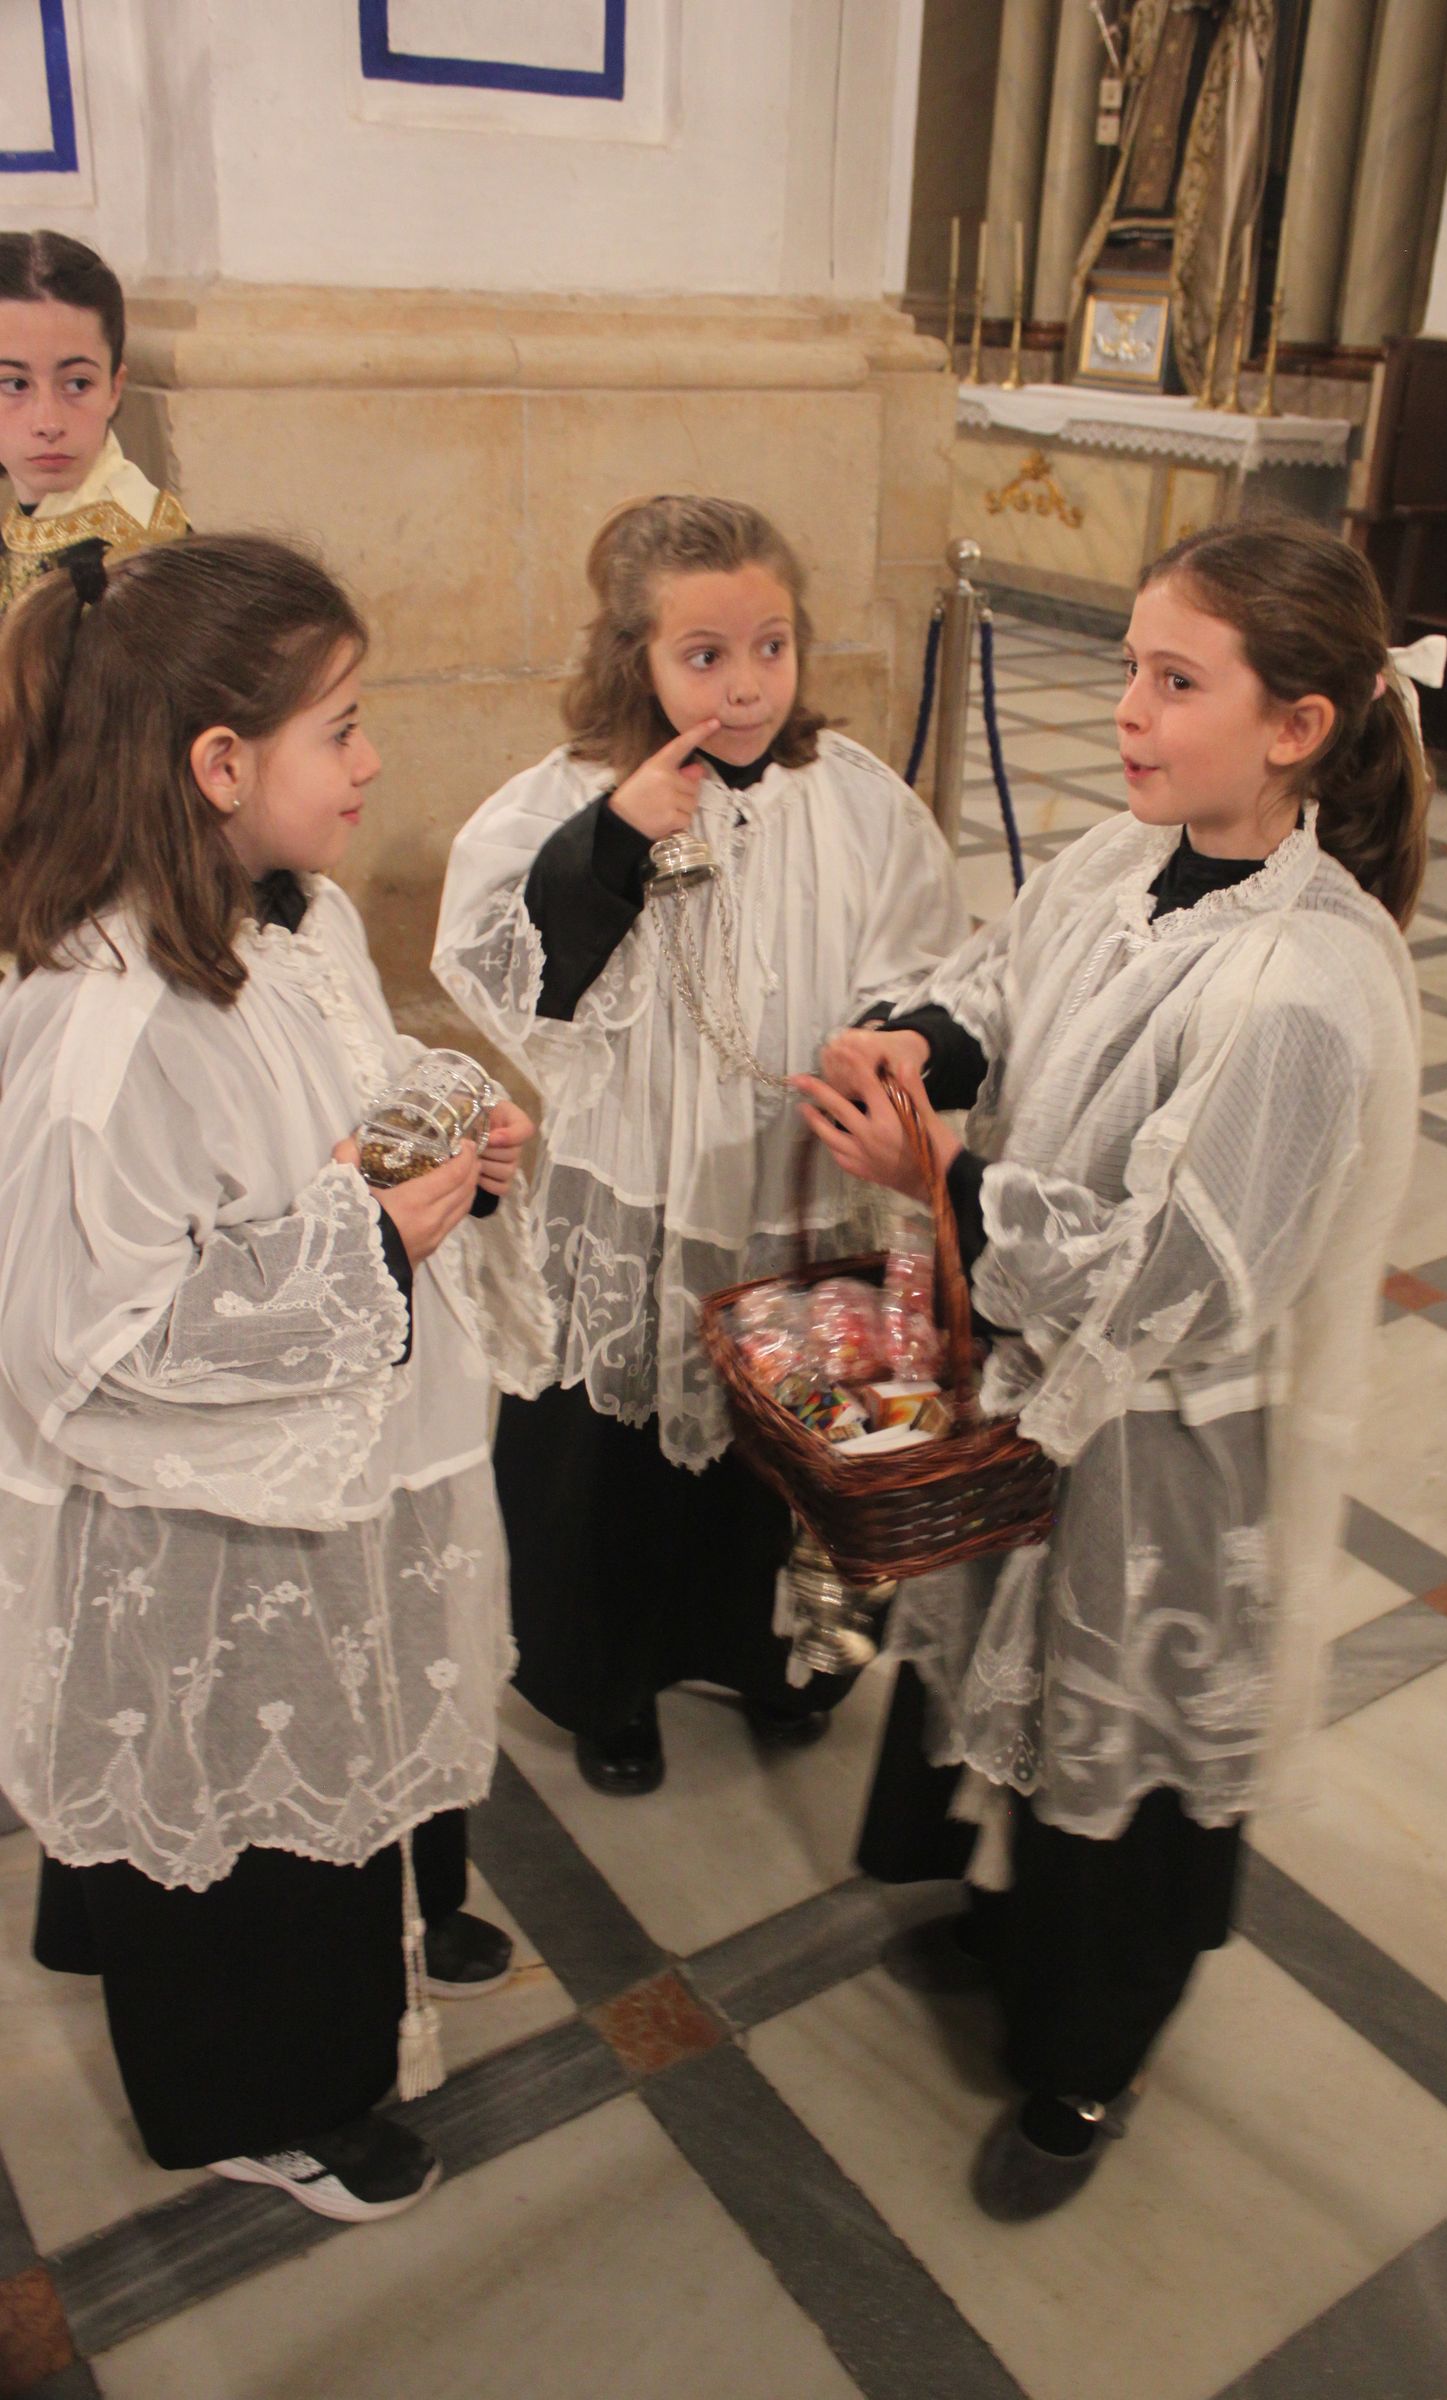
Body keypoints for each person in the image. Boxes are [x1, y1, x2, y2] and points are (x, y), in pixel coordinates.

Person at [794, 518, 1426, 2221]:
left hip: (1161, 1440)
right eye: (1132, 665)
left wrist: (941, 1183)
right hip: (1035, 1392)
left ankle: (1088, 2062)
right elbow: (1004, 986)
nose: (1128, 708)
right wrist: (917, 1047)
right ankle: (1011, 1928)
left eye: (1174, 679)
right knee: (1025, 1690)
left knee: (1123, 1761)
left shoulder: (1301, 985)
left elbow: (1185, 1273)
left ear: (1296, 729)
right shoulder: (1117, 862)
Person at [0, 536, 534, 2222]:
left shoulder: (272, 920)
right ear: (220, 767)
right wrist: (376, 1251)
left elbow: (321, 1121)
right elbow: (98, 1340)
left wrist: (441, 1136)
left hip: (298, 1463)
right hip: (197, 1513)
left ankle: (147, 1952)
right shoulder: (113, 1022)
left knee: (257, 1786)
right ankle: (255, 2101)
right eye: (346, 728)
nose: (375, 762)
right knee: (226, 1801)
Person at [434, 494, 966, 1795]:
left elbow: (929, 949)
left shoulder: (853, 797)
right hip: (644, 1190)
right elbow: (500, 957)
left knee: (797, 1455)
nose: (746, 688)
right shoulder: (569, 800)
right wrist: (617, 839)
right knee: (613, 1467)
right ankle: (610, 1686)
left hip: (801, 1182)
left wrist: (893, 1036)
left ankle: (787, 1660)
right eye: (706, 655)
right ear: (637, 660)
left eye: (771, 647)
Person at [0, 230, 187, 619]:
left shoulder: (127, 558)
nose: (48, 423)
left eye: (78, 384)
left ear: (114, 390)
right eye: (15, 384)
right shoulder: (31, 513)